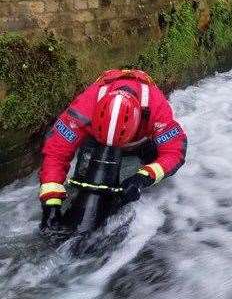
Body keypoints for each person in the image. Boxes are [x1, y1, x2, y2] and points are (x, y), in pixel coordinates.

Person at [38, 69, 187, 231]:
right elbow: (56, 152)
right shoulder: (84, 107)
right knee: (81, 180)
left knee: (132, 189)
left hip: (140, 143)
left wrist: (143, 177)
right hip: (95, 141)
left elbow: (174, 152)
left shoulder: (156, 108)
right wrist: (51, 205)